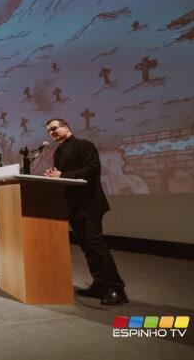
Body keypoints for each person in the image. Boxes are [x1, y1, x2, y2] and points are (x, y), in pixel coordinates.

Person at [43, 118, 127, 305]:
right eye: (49, 131)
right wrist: (54, 175)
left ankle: (117, 289)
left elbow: (93, 170)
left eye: (55, 129)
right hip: (73, 205)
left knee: (95, 244)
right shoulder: (58, 152)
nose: (52, 133)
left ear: (66, 127)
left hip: (90, 204)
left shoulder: (84, 145)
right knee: (86, 247)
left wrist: (62, 175)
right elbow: (63, 175)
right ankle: (99, 283)